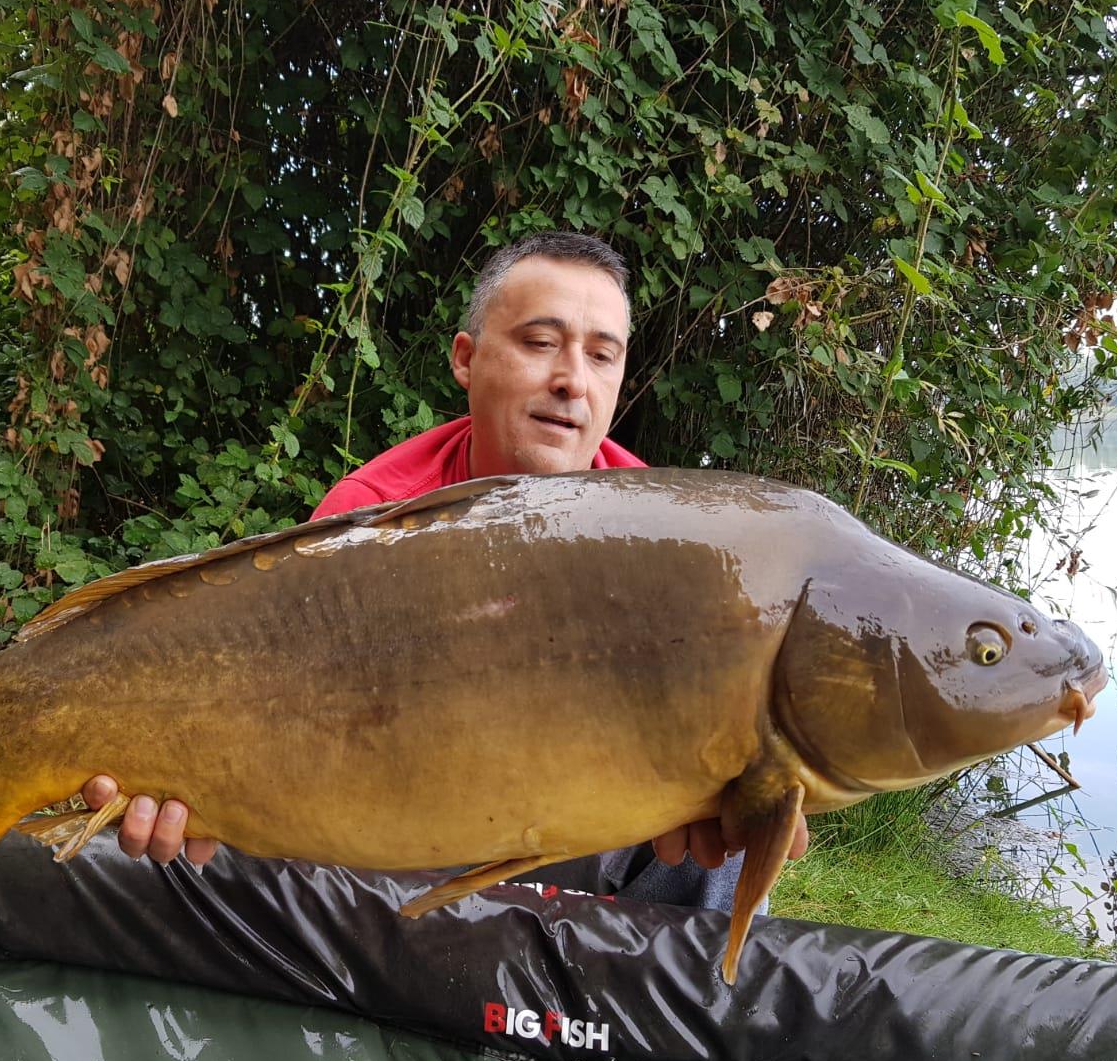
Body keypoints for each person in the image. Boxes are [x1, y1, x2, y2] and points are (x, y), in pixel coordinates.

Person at [79, 231, 808, 909]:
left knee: (735, 845)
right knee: (218, 848)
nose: (570, 381)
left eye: (601, 356)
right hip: (393, 800)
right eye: (541, 342)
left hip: (584, 811)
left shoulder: (667, 542)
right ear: (465, 358)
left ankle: (671, 1033)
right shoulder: (368, 516)